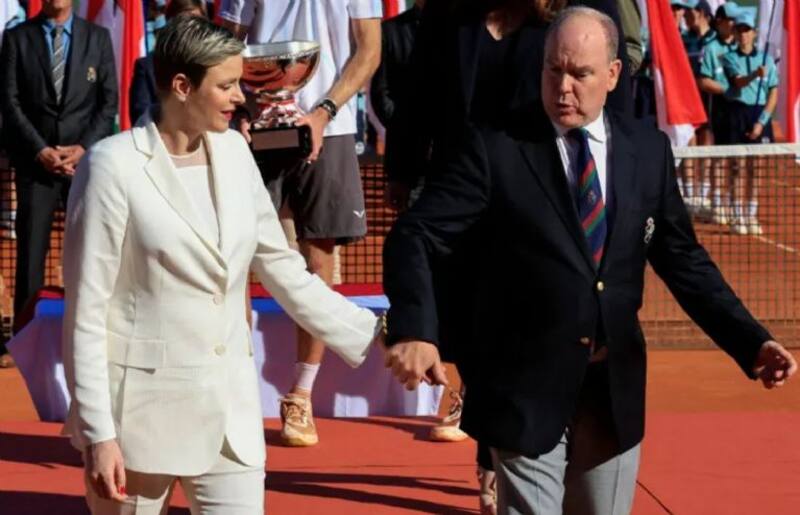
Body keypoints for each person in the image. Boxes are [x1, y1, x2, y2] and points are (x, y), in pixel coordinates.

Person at [382, 7, 796, 515]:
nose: (563, 88)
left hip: (609, 391)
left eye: (580, 74)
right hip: (522, 388)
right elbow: (415, 234)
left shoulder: (647, 151)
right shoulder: (493, 148)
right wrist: (414, 328)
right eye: (553, 70)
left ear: (614, 74)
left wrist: (750, 340)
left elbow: (684, 259)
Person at [62, 17, 382, 514]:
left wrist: (380, 333)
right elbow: (86, 312)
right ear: (182, 86)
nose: (240, 97)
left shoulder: (235, 151)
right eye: (227, 85)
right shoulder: (111, 166)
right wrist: (98, 433)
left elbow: (285, 271)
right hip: (138, 424)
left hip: (231, 419)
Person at [219, 0, 382, 448]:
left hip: (329, 127)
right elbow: (225, 45)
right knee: (235, 257)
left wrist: (324, 111)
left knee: (318, 262)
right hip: (257, 126)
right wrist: (241, 109)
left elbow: (369, 48)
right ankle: (231, 391)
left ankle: (301, 395)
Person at [0, 0, 117, 341]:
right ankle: (26, 338)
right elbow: (9, 101)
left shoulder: (98, 37)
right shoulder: (17, 38)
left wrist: (83, 149)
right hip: (36, 165)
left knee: (91, 252)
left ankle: (93, 336)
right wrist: (40, 150)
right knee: (30, 255)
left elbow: (108, 101)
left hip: (85, 166)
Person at [721, 7, 778, 236]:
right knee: (738, 165)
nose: (743, 35)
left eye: (747, 30)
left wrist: (762, 122)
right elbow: (738, 82)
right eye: (740, 30)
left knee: (757, 166)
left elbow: (773, 93)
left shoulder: (767, 60)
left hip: (758, 113)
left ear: (754, 33)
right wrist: (755, 75)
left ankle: (751, 213)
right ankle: (737, 213)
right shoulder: (729, 58)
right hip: (737, 112)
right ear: (735, 33)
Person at [129, 0, 207, 125]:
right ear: (170, 24)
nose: (189, 28)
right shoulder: (147, 67)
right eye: (183, 22)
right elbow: (141, 116)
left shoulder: (215, 64)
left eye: (196, 22)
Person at [698, 1, 739, 226]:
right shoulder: (711, 48)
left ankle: (734, 203)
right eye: (730, 20)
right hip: (719, 108)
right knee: (719, 156)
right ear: (720, 22)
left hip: (740, 110)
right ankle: (716, 203)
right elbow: (703, 80)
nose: (733, 24)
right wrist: (727, 90)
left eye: (735, 20)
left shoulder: (742, 46)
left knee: (738, 160)